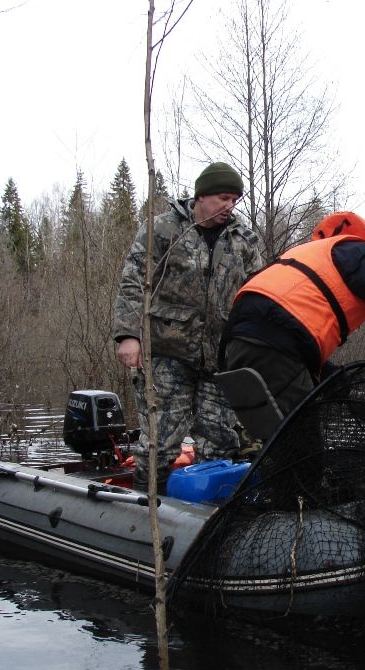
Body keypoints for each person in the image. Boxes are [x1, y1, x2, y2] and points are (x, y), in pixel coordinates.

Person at [218, 211, 365, 438]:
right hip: (274, 345)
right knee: (302, 451)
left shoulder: (309, 258)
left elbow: (296, 346)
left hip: (235, 344)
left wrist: (346, 389)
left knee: (280, 439)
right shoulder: (358, 251)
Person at [113, 161, 263, 488]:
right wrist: (129, 335)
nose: (229, 205)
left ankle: (209, 519)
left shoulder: (245, 240)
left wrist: (253, 347)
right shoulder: (162, 231)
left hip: (220, 359)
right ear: (201, 196)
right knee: (159, 445)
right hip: (167, 354)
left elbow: (257, 296)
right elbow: (133, 282)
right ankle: (143, 512)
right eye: (223, 197)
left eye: (235, 200)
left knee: (220, 442)